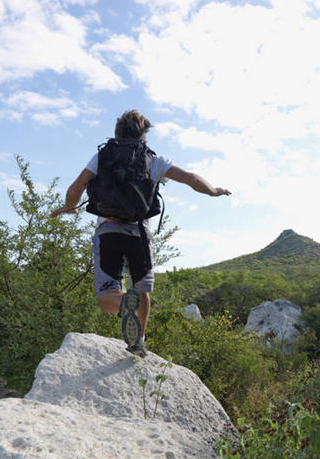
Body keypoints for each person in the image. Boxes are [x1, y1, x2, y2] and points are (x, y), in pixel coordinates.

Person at [50, 110, 230, 356]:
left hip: (108, 230)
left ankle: (123, 303)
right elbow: (190, 178)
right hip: (140, 233)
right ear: (144, 135)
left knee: (107, 296)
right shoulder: (153, 160)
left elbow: (75, 188)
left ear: (117, 132)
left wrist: (69, 207)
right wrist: (214, 191)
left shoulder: (102, 157)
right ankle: (138, 342)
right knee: (142, 288)